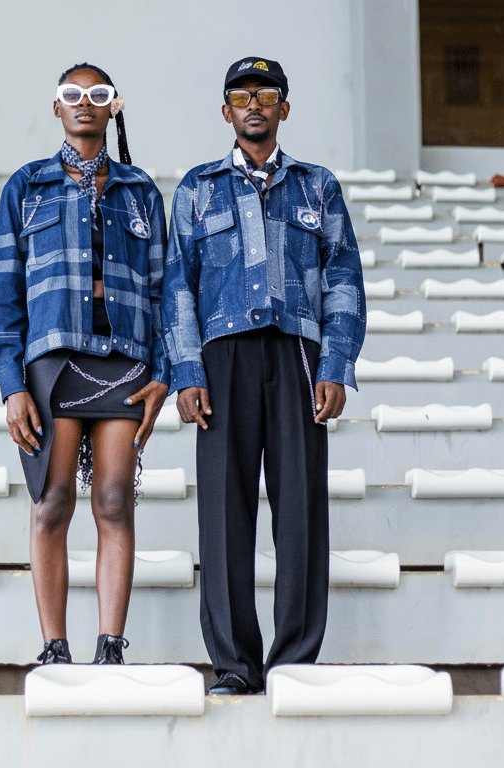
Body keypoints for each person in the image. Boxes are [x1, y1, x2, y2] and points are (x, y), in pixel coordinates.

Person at [163, 57, 367, 695]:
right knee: (224, 511)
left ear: (284, 107)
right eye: (242, 95)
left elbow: (343, 278)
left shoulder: (317, 187)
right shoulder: (197, 188)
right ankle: (233, 664)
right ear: (226, 111)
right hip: (221, 358)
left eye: (267, 93)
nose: (254, 104)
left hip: (298, 355)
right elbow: (178, 286)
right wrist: (186, 371)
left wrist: (335, 364)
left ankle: (294, 661)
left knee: (300, 509)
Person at [0, 63, 170, 666]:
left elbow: (165, 291)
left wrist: (164, 372)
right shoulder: (26, 187)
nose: (84, 102)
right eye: (72, 94)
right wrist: (12, 386)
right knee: (53, 501)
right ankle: (54, 647)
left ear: (114, 106)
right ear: (57, 107)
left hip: (124, 360)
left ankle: (111, 646)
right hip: (54, 363)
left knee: (114, 500)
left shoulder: (140, 191)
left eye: (97, 94)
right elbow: (2, 297)